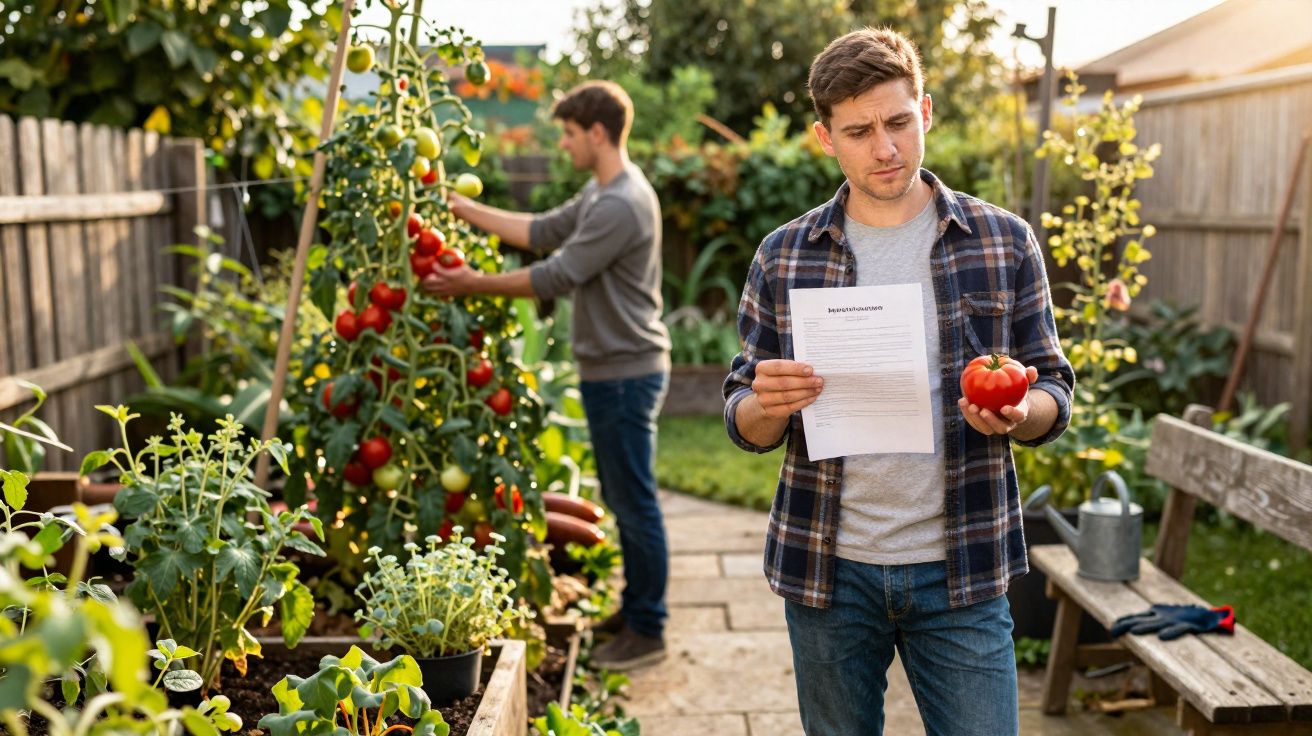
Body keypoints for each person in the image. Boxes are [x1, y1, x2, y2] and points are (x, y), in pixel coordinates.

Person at [722, 27, 1075, 735]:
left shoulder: (1003, 240)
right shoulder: (785, 256)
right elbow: (741, 413)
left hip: (963, 569)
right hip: (829, 570)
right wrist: (768, 403)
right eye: (859, 131)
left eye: (898, 122)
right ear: (826, 138)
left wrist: (1019, 412)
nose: (884, 149)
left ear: (926, 111)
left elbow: (1055, 391)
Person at [422, 80, 671, 671]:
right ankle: (637, 609)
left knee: (634, 502)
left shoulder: (619, 203)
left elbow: (554, 274)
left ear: (597, 132)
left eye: (566, 133)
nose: (562, 144)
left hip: (624, 373)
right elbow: (537, 232)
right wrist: (458, 206)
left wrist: (469, 283)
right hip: (612, 370)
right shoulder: (600, 193)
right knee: (621, 496)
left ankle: (648, 628)